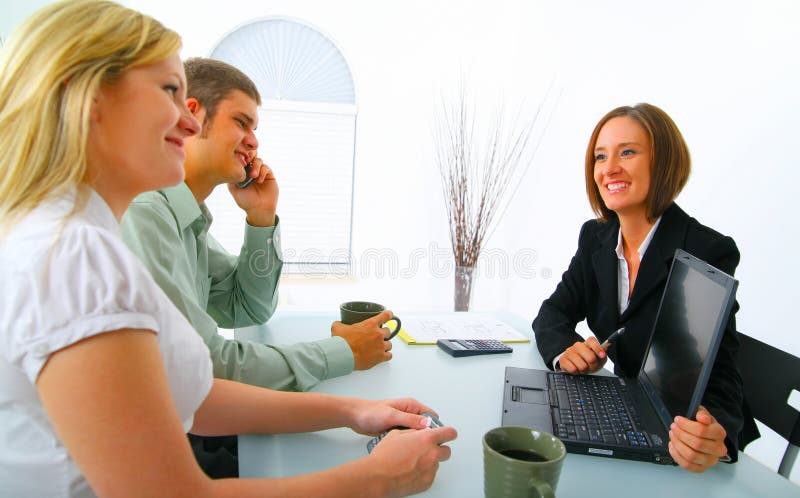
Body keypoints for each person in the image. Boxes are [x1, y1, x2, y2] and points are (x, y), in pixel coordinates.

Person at [0, 1, 456, 496]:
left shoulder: (83, 233)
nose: (190, 122)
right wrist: (377, 477)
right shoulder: (75, 255)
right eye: (171, 91)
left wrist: (353, 411)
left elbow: (197, 393)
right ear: (88, 98)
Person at [119, 56, 395, 476]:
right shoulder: (146, 212)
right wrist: (342, 353)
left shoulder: (184, 217)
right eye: (242, 122)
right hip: (164, 447)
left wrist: (261, 218)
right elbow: (209, 365)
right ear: (193, 113)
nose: (253, 142)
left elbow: (247, 307)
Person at [532, 103, 747, 473]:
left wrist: (719, 435)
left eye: (627, 152)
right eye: (601, 156)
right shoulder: (596, 237)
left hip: (674, 438)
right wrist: (565, 351)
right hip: (626, 417)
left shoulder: (705, 249)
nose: (609, 168)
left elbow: (722, 369)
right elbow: (553, 313)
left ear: (663, 162)